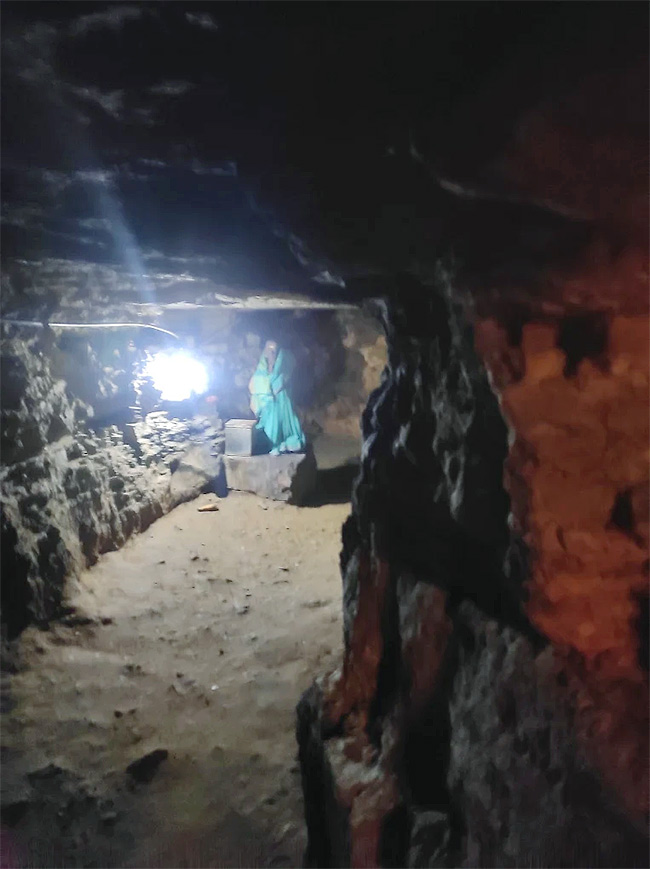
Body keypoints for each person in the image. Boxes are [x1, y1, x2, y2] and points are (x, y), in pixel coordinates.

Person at [248, 340, 306, 455]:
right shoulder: (262, 368)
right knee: (267, 428)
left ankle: (282, 441)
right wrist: (265, 393)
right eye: (268, 350)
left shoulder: (283, 369)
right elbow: (255, 384)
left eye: (273, 350)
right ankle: (270, 443)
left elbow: (281, 383)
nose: (271, 353)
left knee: (279, 422)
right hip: (267, 406)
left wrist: (273, 390)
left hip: (280, 404)